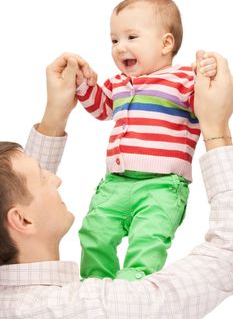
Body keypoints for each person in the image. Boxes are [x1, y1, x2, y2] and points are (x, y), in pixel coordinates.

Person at [0, 50, 233, 318]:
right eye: (43, 177)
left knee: (137, 235)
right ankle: (137, 273)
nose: (56, 178)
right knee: (101, 234)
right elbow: (227, 256)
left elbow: (12, 193)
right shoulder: (104, 305)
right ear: (23, 221)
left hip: (154, 183)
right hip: (130, 182)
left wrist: (55, 114)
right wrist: (216, 129)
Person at [75, 0, 218, 280]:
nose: (120, 48)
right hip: (116, 182)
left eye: (131, 37)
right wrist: (83, 85)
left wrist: (209, 74)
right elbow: (103, 109)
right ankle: (95, 286)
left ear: (166, 43)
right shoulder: (117, 82)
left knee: (148, 241)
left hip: (162, 185)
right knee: (94, 233)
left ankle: (132, 290)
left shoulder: (183, 80)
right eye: (114, 40)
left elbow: (210, 104)